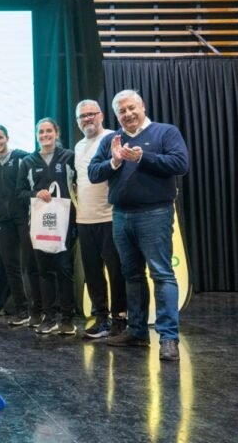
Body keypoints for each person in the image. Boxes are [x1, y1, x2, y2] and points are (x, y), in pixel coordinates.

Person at [89, 90, 189, 361]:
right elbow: (93, 173)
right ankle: (137, 332)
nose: (128, 114)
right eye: (122, 111)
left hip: (155, 213)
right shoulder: (111, 139)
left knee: (162, 274)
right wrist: (115, 160)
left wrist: (142, 158)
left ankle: (168, 339)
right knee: (131, 275)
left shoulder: (165, 132)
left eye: (132, 108)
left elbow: (180, 164)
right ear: (116, 115)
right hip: (121, 215)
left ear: (142, 107)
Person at [17, 118, 77, 336]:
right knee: (44, 270)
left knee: (64, 269)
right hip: (40, 225)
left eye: (48, 131)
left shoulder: (69, 157)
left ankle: (68, 319)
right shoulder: (28, 161)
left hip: (65, 223)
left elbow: (78, 185)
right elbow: (20, 192)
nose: (45, 135)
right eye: (40, 132)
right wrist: (35, 193)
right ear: (36, 135)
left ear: (57, 132)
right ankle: (49, 317)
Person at [74, 100, 126, 339]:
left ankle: (120, 319)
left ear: (101, 115)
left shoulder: (114, 138)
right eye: (82, 116)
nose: (87, 119)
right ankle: (101, 318)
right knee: (93, 274)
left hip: (111, 216)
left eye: (91, 114)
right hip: (85, 219)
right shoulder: (77, 146)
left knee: (116, 272)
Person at [0, 125, 41, 327]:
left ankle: (38, 310)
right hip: (2, 220)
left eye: (0, 137)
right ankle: (22, 310)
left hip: (23, 217)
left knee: (30, 264)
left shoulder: (21, 157)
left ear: (7, 138)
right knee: (11, 267)